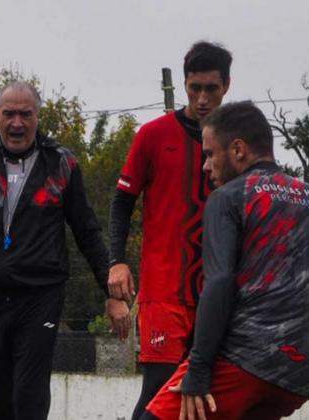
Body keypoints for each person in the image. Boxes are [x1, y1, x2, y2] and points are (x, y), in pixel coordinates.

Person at [142, 101, 309, 420]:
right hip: (298, 378)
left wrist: (198, 370)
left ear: (238, 149)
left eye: (211, 154)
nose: (205, 166)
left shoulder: (228, 198)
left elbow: (219, 282)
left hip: (243, 362)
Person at [0, 80, 131, 420]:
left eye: (26, 114)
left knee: (28, 395)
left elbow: (87, 232)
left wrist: (111, 293)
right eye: (9, 114)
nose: (17, 123)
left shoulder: (61, 164)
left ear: (38, 117)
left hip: (41, 296)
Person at [107, 41, 232, 419]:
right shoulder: (153, 135)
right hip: (164, 294)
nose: (203, 97)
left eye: (211, 88)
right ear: (184, 85)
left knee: (209, 401)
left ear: (226, 85)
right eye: (195, 88)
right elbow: (121, 203)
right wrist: (116, 262)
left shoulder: (235, 143)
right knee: (159, 396)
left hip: (220, 294)